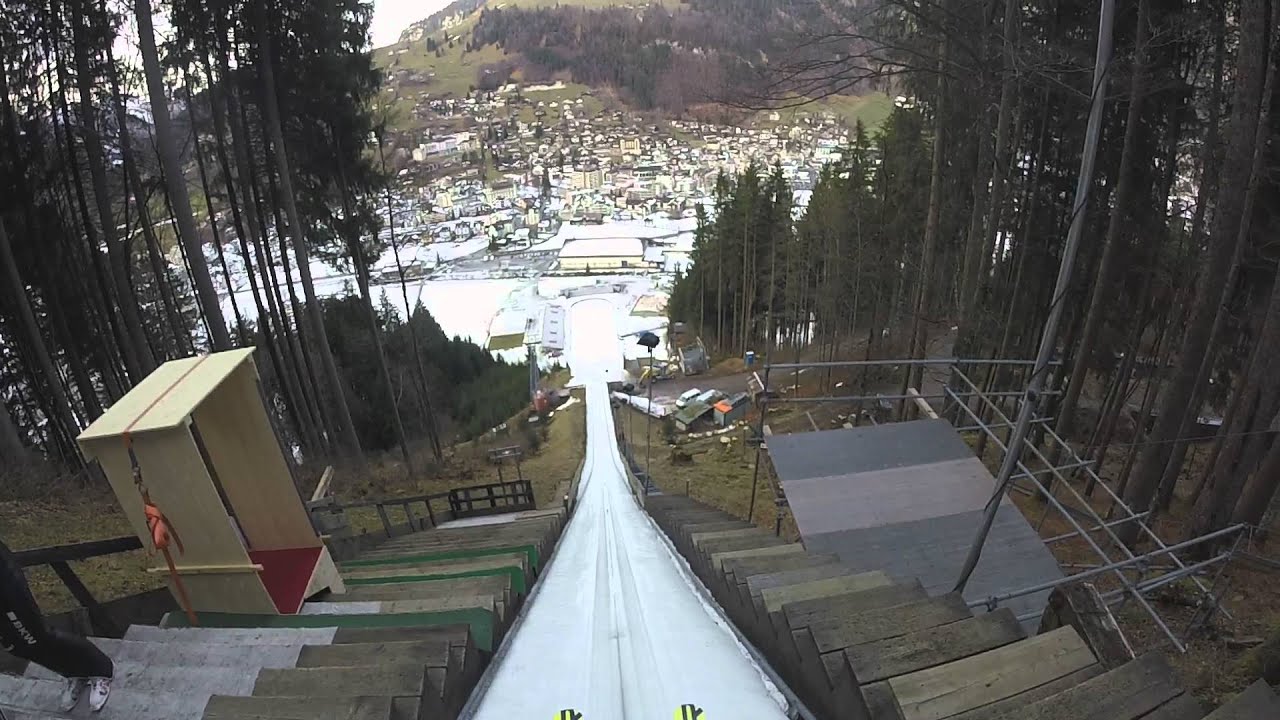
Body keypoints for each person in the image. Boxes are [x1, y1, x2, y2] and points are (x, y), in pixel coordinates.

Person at [0, 538, 112, 712]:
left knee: (34, 635)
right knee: (16, 647)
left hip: (4, 583)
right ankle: (74, 672)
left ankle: (102, 669)